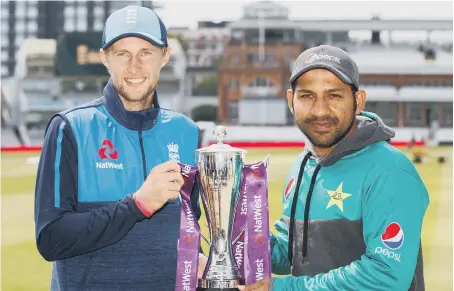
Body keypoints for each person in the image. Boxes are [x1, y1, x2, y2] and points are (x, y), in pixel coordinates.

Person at [34, 5, 206, 290]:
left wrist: (198, 258)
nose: (134, 67)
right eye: (122, 54)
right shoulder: (70, 128)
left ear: (165, 56)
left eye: (145, 53)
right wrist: (136, 205)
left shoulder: (186, 132)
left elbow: (189, 227)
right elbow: (51, 239)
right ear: (105, 58)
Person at [239, 45, 429, 291]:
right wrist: (235, 238)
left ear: (358, 101)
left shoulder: (390, 171)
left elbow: (385, 277)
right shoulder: (302, 165)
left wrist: (283, 288)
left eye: (334, 95)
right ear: (290, 100)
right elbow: (292, 251)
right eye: (307, 95)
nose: (320, 110)